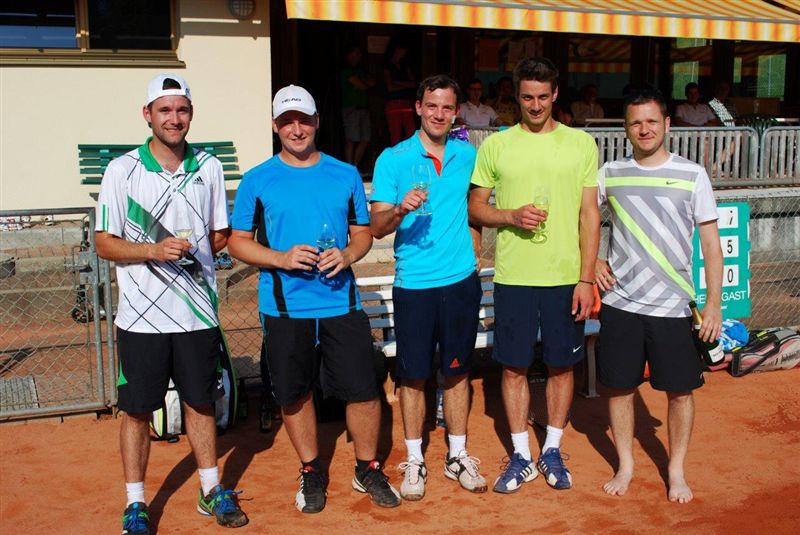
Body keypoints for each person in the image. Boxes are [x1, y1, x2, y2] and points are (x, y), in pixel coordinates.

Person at [227, 84, 401, 513]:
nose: (297, 129)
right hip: (285, 307)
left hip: (342, 303)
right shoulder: (257, 179)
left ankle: (366, 468)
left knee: (364, 390)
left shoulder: (345, 174)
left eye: (304, 120)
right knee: (295, 393)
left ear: (317, 121)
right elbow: (236, 241)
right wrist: (281, 258)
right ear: (275, 126)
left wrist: (348, 254)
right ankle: (310, 469)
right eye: (287, 121)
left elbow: (362, 233)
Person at [95, 73, 248, 534]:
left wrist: (198, 250)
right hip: (141, 319)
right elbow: (104, 243)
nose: (173, 118)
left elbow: (219, 233)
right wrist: (153, 250)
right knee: (137, 410)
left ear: (191, 114)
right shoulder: (122, 170)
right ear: (148, 115)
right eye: (164, 110)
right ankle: (136, 503)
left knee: (201, 403)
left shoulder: (210, 166)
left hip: (197, 313)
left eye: (181, 110)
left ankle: (210, 489)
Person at [468, 57, 600, 494]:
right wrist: (510, 215)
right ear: (516, 97)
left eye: (543, 96)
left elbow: (589, 214)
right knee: (514, 367)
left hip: (565, 277)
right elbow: (476, 207)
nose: (536, 105)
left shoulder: (581, 144)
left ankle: (553, 449)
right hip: (514, 277)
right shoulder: (497, 145)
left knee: (562, 365)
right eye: (528, 97)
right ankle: (522, 454)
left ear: (555, 94)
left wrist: (586, 279)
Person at [595, 89, 723, 504]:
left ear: (667, 124)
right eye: (636, 122)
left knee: (680, 392)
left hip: (674, 306)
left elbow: (711, 245)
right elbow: (584, 220)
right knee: (619, 388)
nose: (644, 129)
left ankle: (676, 469)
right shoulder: (609, 173)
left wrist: (714, 305)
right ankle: (626, 465)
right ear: (625, 128)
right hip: (620, 303)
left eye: (652, 121)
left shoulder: (693, 174)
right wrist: (592, 260)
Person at [370, 75, 487, 501]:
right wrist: (400, 209)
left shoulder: (467, 154)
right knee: (414, 375)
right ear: (418, 107)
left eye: (447, 107)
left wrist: (475, 243)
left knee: (457, 371)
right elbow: (377, 227)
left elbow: (475, 206)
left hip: (460, 282)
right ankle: (415, 459)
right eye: (432, 105)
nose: (439, 114)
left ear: (456, 112)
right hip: (415, 283)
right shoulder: (393, 159)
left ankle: (457, 455)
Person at [341, 45, 375, 168]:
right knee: (351, 139)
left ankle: (354, 166)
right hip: (351, 108)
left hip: (364, 107)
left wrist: (361, 83)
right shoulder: (346, 70)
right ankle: (349, 168)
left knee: (365, 138)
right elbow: (362, 85)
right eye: (356, 53)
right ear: (349, 55)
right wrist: (362, 83)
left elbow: (372, 82)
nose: (359, 56)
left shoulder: (360, 70)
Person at [383, 40, 417, 146]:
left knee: (411, 133)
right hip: (393, 103)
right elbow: (390, 87)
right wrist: (405, 84)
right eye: (403, 49)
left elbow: (413, 84)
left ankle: (406, 152)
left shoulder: (405, 65)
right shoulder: (387, 65)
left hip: (406, 102)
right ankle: (397, 154)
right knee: (395, 134)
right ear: (396, 49)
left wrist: (398, 82)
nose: (405, 52)